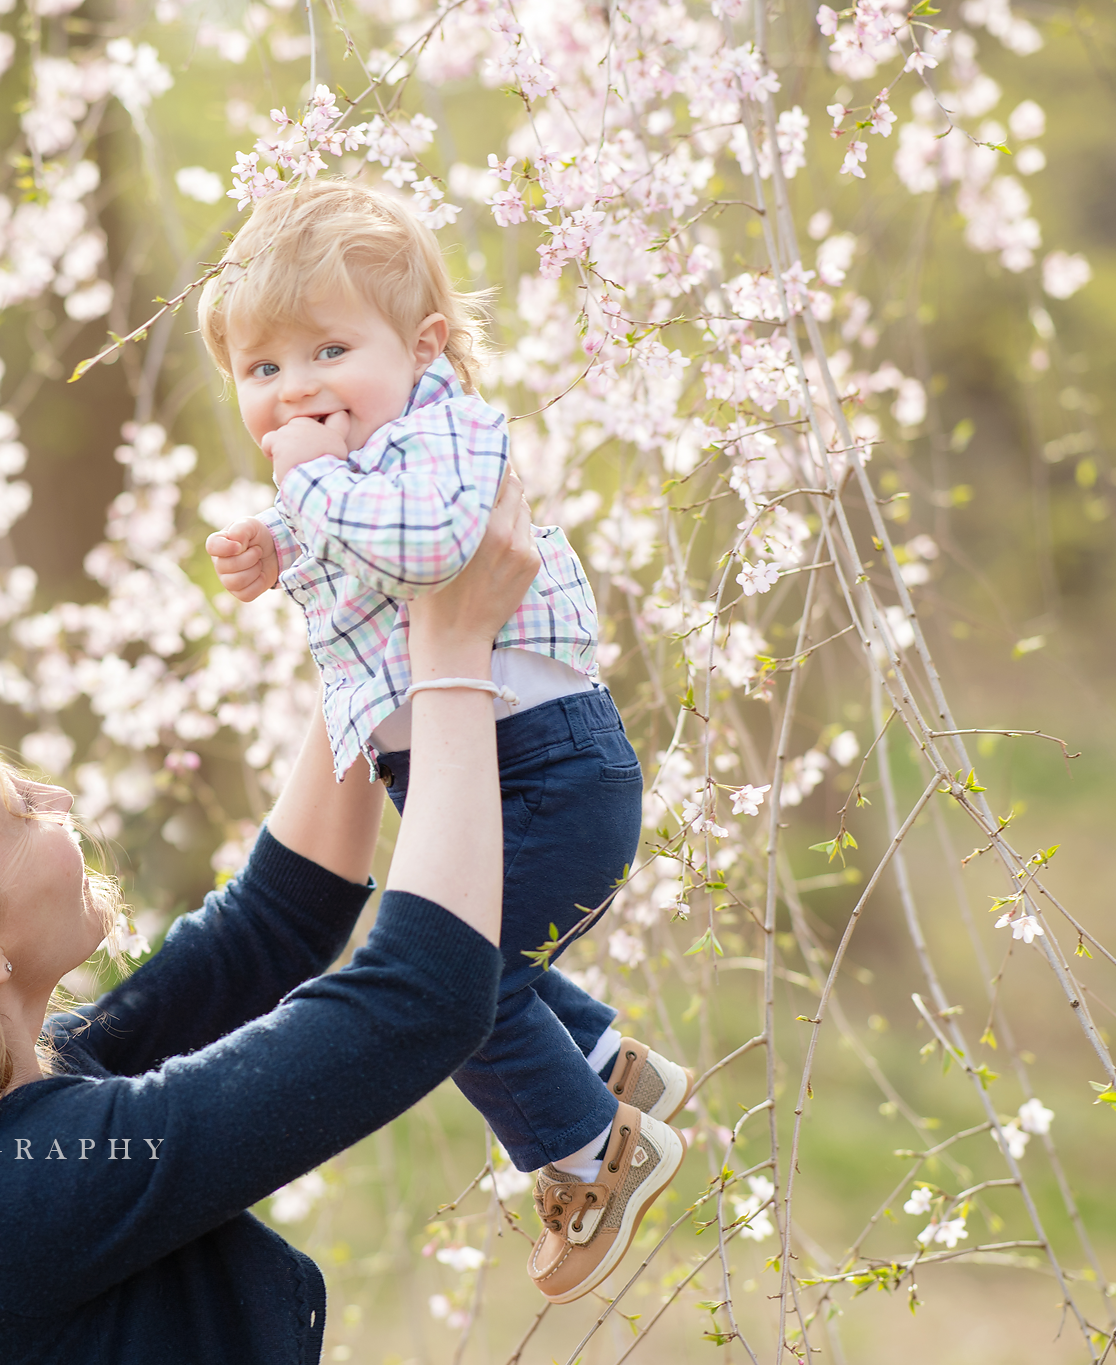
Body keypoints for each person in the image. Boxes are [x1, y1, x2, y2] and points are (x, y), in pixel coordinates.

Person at [0, 477, 653, 1363]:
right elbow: (415, 1004)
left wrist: (364, 620)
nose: (58, 802)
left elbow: (275, 924)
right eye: (15, 812)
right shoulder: (18, 1197)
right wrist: (452, 661)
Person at [199, 176, 691, 1302]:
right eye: (262, 369)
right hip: (468, 780)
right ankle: (610, 1065)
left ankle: (592, 1153)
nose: (297, 389)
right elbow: (350, 554)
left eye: (328, 348)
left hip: (550, 772)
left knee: (438, 992)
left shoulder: (448, 436)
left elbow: (423, 547)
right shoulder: (343, 475)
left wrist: (308, 492)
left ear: (422, 348)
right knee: (454, 957)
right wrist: (273, 548)